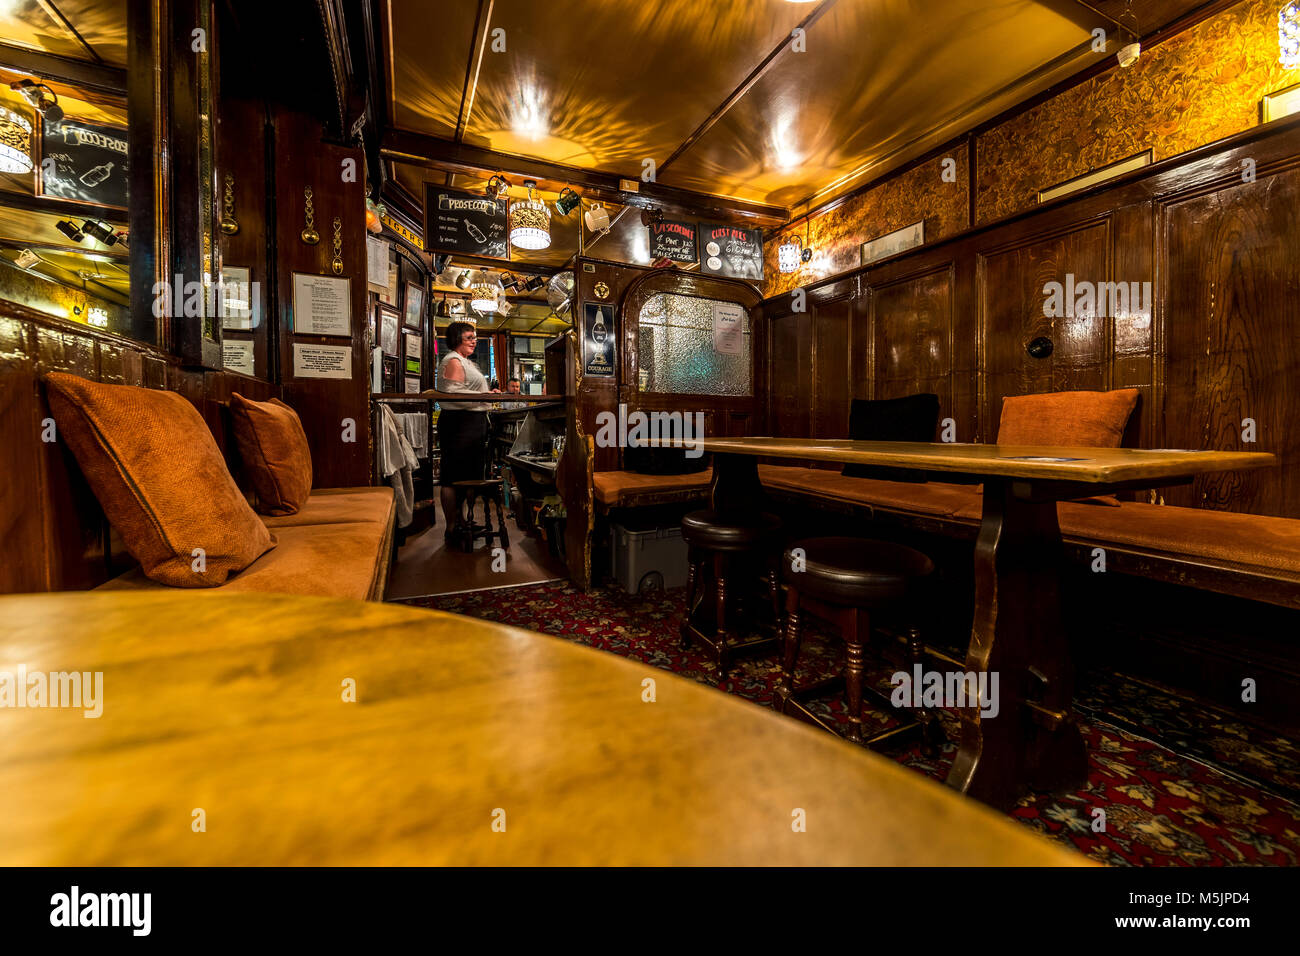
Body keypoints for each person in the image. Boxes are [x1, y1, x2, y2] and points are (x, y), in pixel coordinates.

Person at [431, 321, 498, 538]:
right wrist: (486, 396)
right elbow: (454, 395)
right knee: (452, 477)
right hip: (459, 424)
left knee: (467, 475)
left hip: (471, 423)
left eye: (475, 337)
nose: (474, 341)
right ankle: (452, 527)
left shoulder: (465, 362)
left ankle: (463, 521)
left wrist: (486, 395)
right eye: (469, 337)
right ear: (457, 338)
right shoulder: (453, 360)